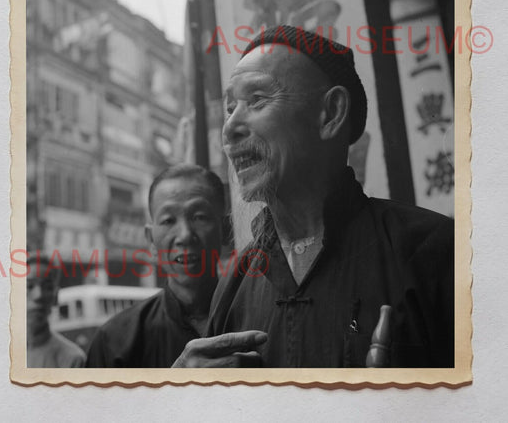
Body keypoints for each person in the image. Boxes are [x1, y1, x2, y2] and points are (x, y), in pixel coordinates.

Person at [173, 25, 454, 368]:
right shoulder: (236, 282)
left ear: (331, 113)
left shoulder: (430, 251)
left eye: (257, 100)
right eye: (231, 108)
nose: (230, 128)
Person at [86, 164, 227, 367]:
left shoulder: (256, 318)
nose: (185, 235)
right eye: (169, 220)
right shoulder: (114, 342)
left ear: (225, 228)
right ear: (151, 239)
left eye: (199, 217)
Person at [27, 255, 86, 368]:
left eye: (48, 287)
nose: (38, 295)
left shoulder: (72, 359)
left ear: (55, 297)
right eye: (29, 286)